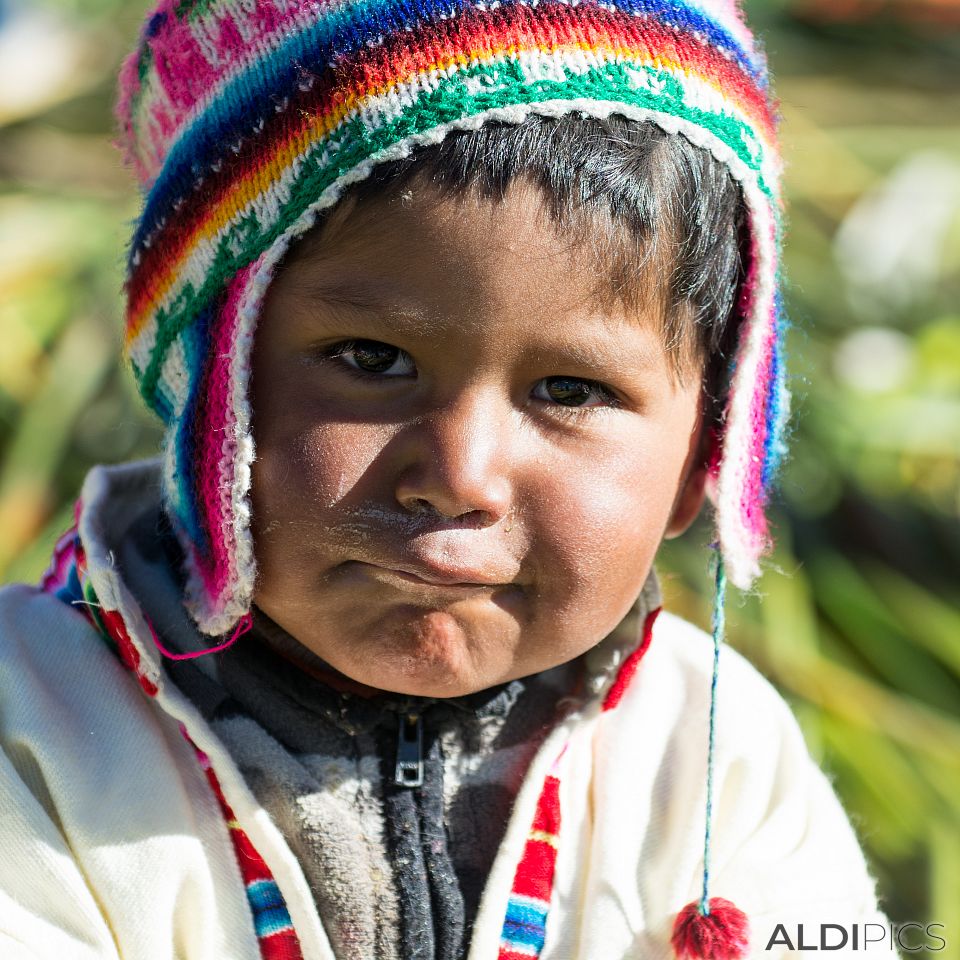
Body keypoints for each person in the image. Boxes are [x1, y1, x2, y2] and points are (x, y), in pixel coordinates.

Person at [0, 1, 895, 958]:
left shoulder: (717, 760)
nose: (462, 478)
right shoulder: (36, 731)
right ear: (204, 387)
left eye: (570, 389)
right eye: (371, 360)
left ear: (704, 455)